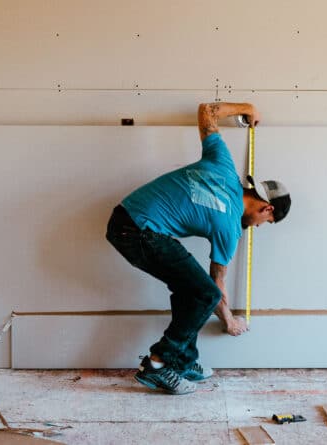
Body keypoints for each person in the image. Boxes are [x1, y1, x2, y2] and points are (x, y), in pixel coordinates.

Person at [105, 102, 291, 395]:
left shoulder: (223, 164)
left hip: (128, 220)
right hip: (138, 231)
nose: (257, 227)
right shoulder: (229, 227)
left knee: (189, 290)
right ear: (267, 208)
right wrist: (229, 321)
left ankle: (182, 360)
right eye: (265, 221)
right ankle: (157, 364)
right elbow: (216, 286)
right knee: (205, 293)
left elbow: (207, 111)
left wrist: (247, 107)